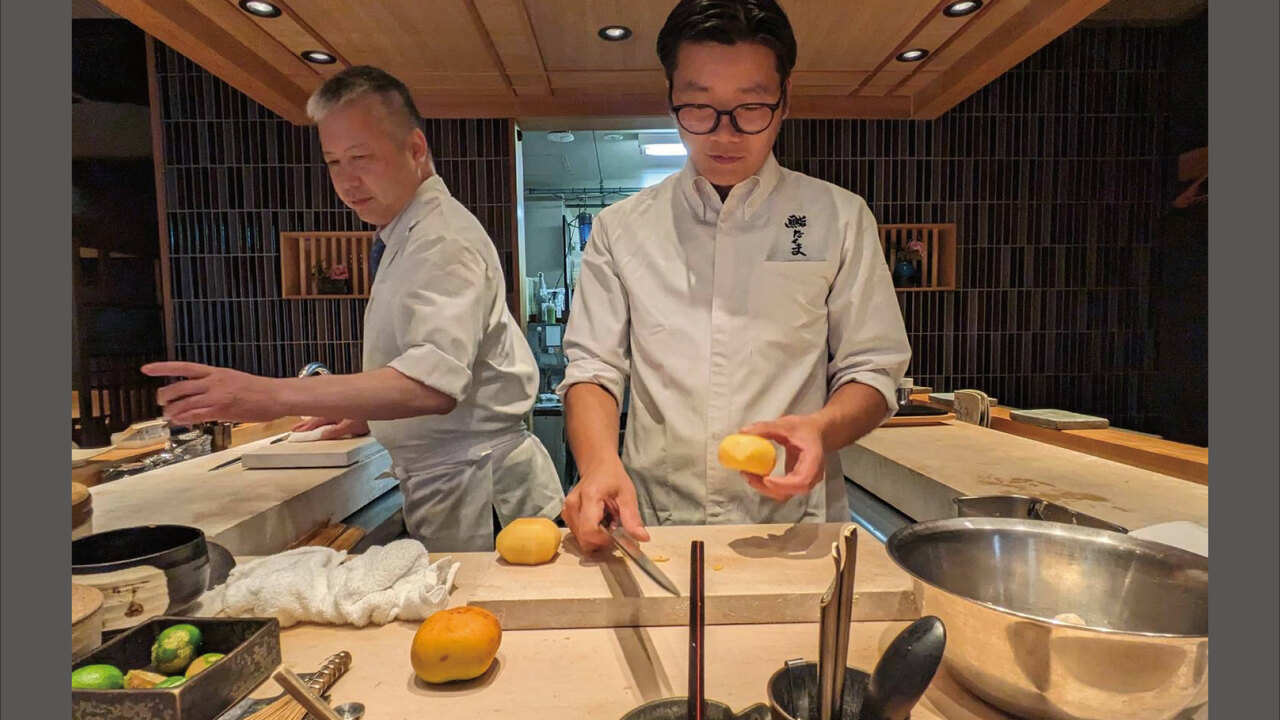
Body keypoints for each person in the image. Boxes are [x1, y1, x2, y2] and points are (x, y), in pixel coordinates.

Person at [143, 66, 564, 552]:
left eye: (362, 157)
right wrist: (370, 412)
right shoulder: (406, 232)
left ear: (415, 149)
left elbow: (432, 386)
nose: (347, 180)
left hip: (488, 500)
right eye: (334, 161)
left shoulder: (441, 240)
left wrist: (268, 395)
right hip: (465, 486)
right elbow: (435, 368)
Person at [558, 0, 912, 551]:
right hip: (653, 524)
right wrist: (599, 463)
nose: (723, 135)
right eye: (698, 108)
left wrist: (822, 430)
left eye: (750, 107)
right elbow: (594, 367)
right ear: (671, 96)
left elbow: (874, 367)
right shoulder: (619, 228)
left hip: (793, 524)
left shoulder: (837, 218)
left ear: (785, 98)